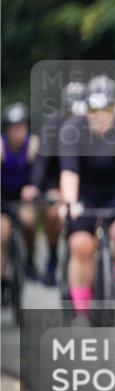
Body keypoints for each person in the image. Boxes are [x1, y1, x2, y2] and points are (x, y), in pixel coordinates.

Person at [59, 76, 115, 319]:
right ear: (85, 110)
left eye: (106, 110)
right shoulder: (72, 130)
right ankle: (81, 313)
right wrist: (69, 203)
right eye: (93, 110)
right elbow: (69, 173)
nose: (100, 116)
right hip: (84, 193)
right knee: (81, 245)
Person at [23, 81, 87, 286]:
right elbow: (42, 160)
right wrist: (35, 185)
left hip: (87, 180)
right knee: (52, 212)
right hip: (57, 179)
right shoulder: (53, 125)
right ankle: (53, 255)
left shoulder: (94, 125)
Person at [1, 103, 40, 298]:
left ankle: (30, 257)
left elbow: (41, 171)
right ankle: (2, 280)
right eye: (14, 127)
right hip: (3, 198)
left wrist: (34, 186)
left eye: (22, 126)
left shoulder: (33, 146)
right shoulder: (1, 146)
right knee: (2, 233)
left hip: (25, 197)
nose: (18, 131)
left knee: (28, 221)